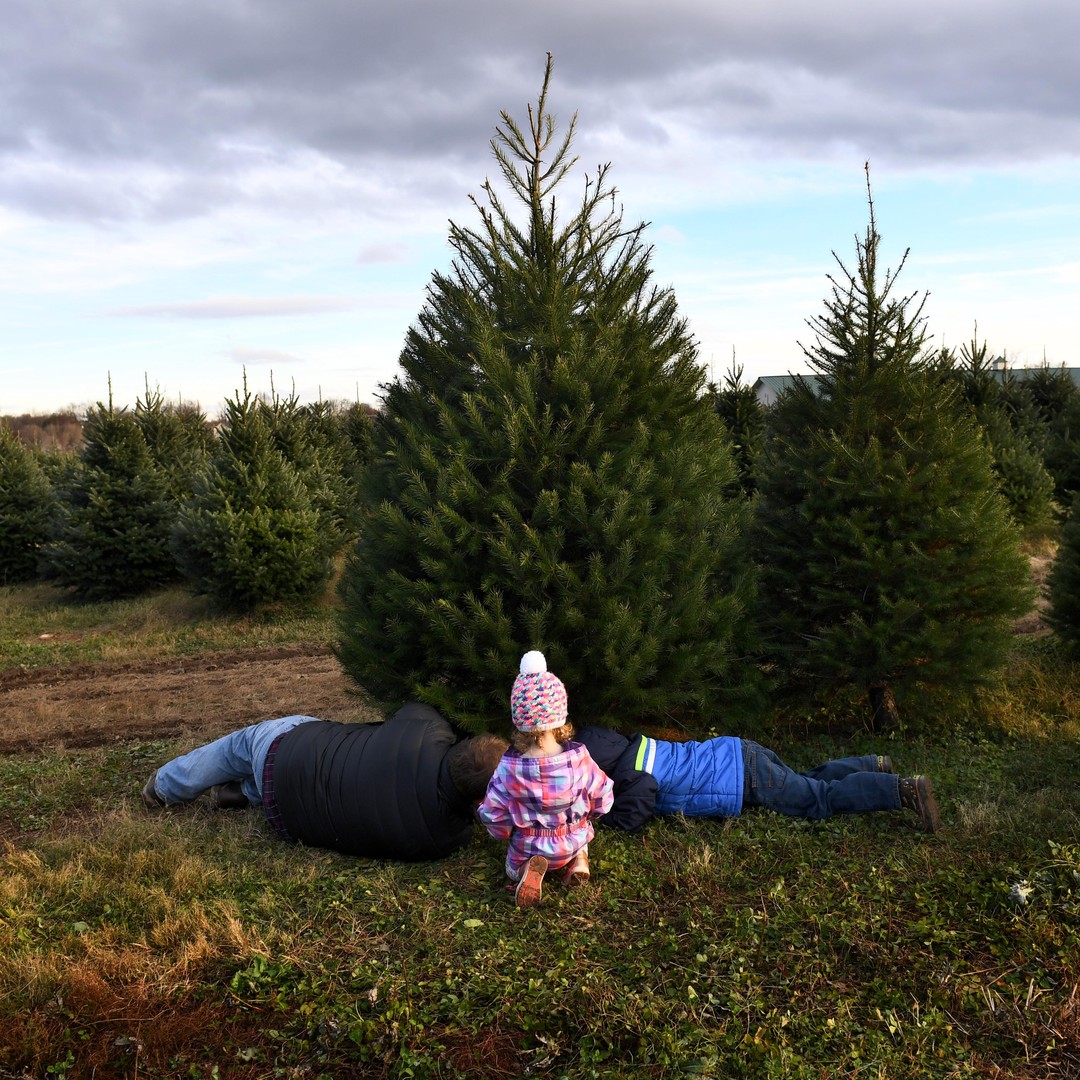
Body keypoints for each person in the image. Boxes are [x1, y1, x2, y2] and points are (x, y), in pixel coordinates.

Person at [141, 702, 508, 861]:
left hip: (284, 749)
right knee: (301, 775)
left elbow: (407, 710)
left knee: (236, 746)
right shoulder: (448, 838)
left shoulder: (429, 729)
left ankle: (163, 787)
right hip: (287, 820)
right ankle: (246, 793)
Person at [576, 725, 941, 833]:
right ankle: (873, 765)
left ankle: (903, 790)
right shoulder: (636, 746)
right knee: (805, 781)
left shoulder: (630, 774)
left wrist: (604, 822)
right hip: (739, 752)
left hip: (743, 777)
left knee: (819, 799)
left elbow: (637, 807)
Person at [477, 652, 614, 907]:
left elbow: (492, 812)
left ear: (519, 721)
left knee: (511, 867)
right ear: (559, 715)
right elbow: (603, 794)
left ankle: (525, 870)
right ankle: (578, 861)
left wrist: (502, 832)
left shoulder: (508, 769)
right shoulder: (580, 759)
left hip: (528, 846)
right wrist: (591, 815)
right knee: (582, 843)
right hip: (572, 839)